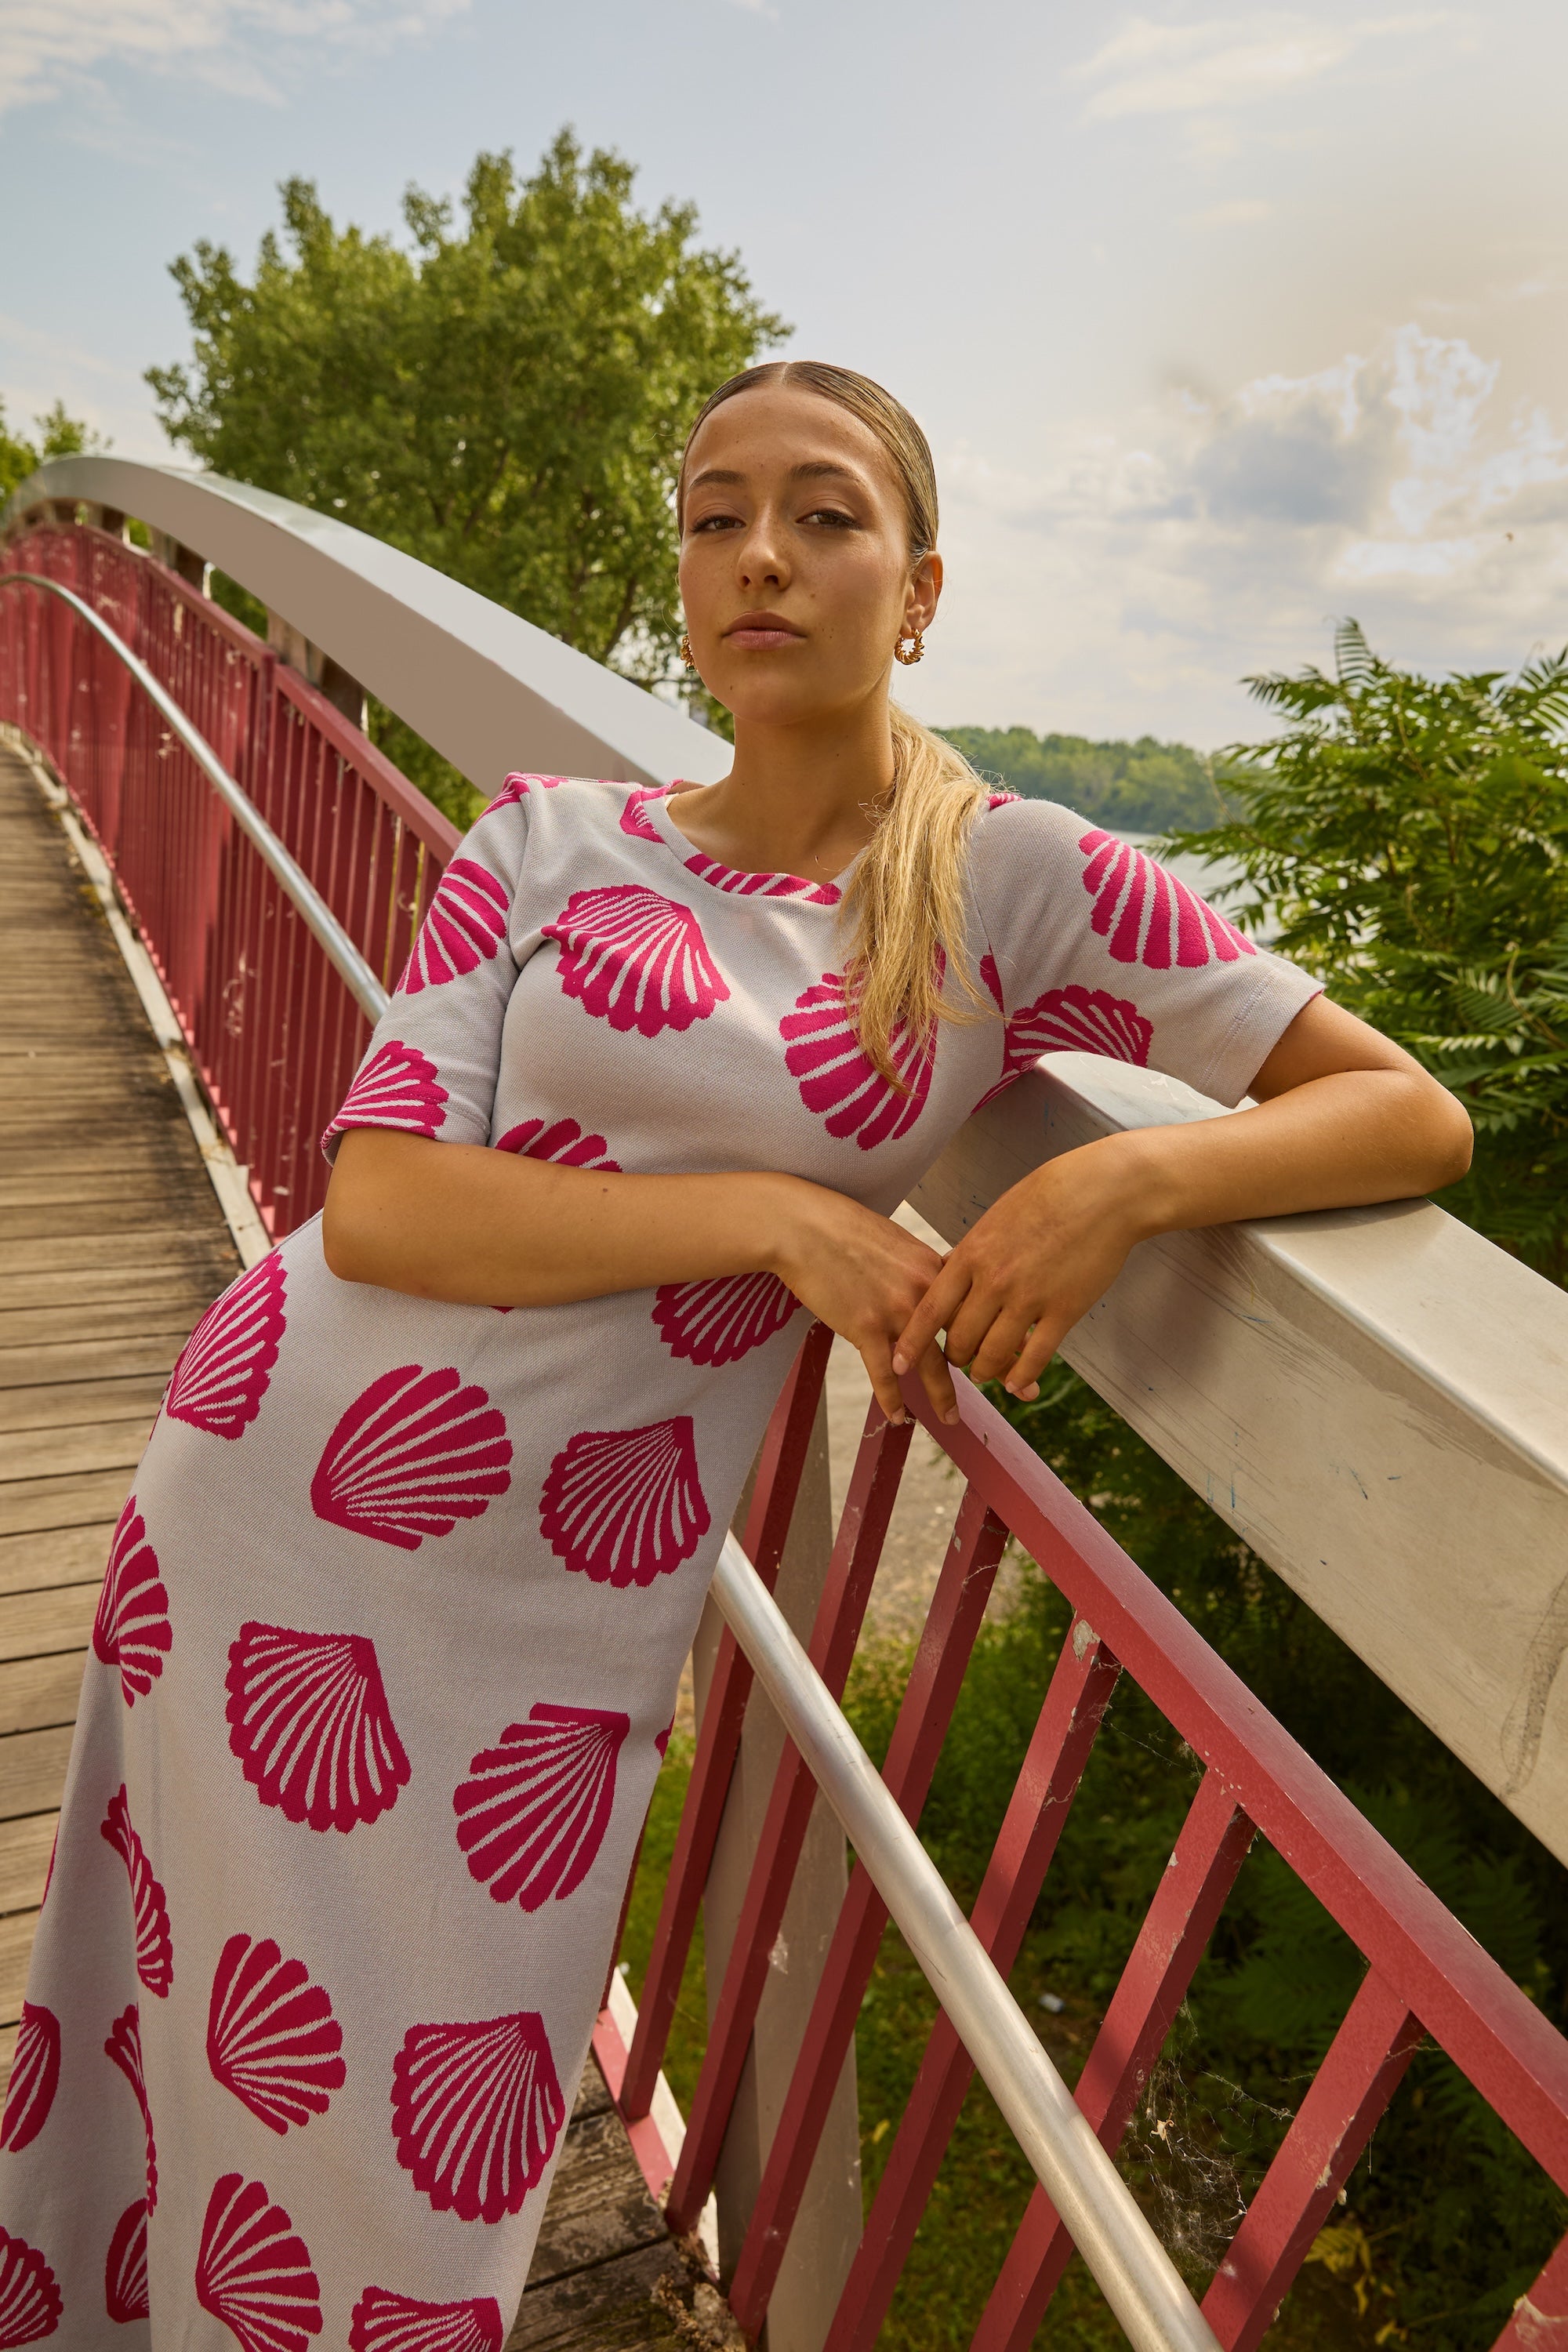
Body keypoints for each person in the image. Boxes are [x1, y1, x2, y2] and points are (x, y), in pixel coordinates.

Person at [0, 361, 1471, 2346]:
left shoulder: (1008, 880)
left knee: (407, 2177)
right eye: (715, 516)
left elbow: (1401, 1112)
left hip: (539, 1635)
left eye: (824, 514)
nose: (761, 553)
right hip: (266, 1509)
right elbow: (387, 1206)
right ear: (685, 580)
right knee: (177, 2063)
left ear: (919, 588)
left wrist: (1125, 1183)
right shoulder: (543, 836)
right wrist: (777, 1217)